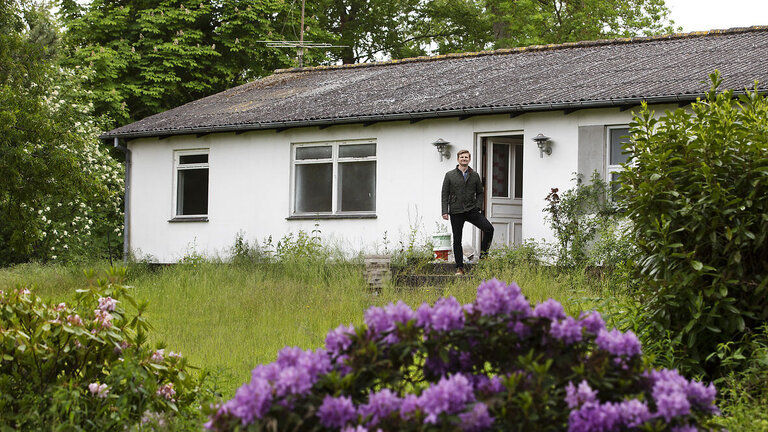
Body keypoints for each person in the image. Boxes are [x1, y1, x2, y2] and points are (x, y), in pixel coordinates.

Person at [441, 149, 494, 275]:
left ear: (469, 159)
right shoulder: (449, 175)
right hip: (456, 211)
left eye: (466, 157)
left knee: (489, 229)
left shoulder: (474, 175)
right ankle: (459, 268)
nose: (464, 159)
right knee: (457, 239)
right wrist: (444, 211)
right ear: (458, 159)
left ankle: (484, 256)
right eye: (462, 157)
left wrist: (478, 206)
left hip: (471, 210)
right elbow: (444, 194)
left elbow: (480, 192)